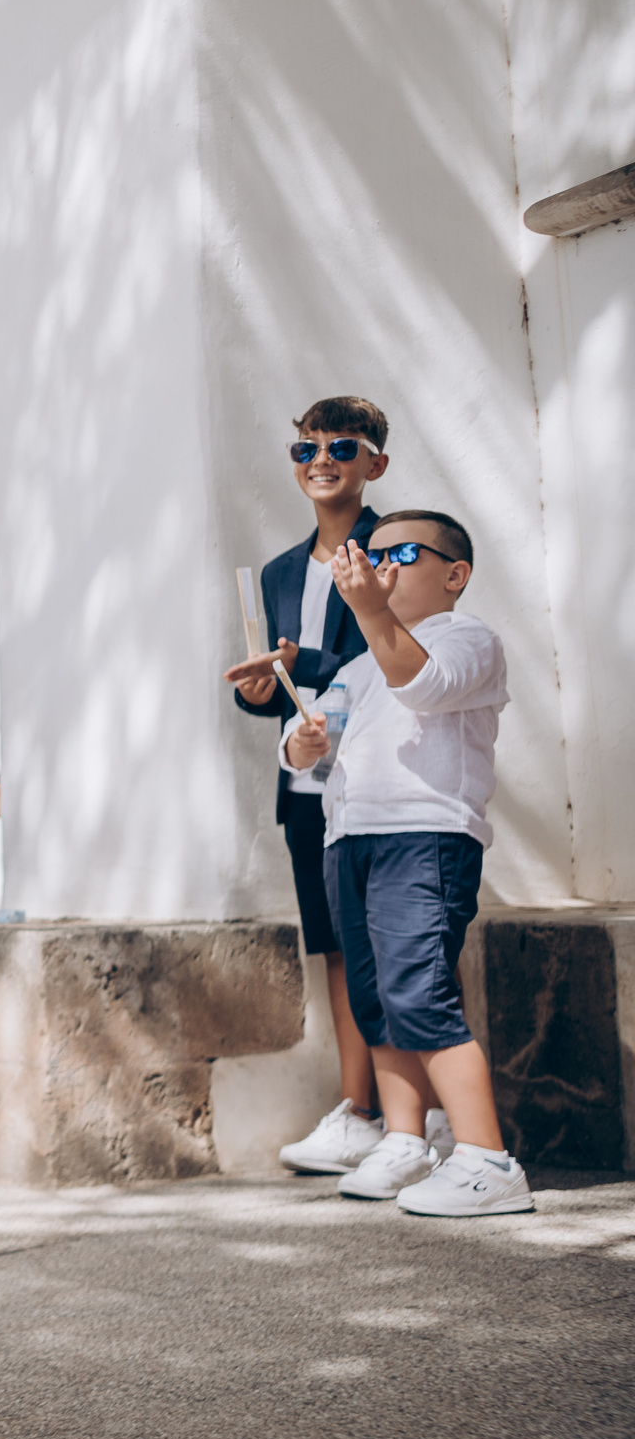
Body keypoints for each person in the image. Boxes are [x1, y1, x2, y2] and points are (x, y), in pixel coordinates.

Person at [284, 514, 528, 1216]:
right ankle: (404, 1138)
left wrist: (366, 608)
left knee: (419, 987)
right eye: (372, 552)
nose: (382, 565)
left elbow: (421, 684)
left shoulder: (468, 637)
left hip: (425, 835)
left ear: (455, 573)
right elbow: (313, 753)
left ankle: (487, 1157)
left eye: (402, 552)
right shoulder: (358, 664)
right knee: (374, 998)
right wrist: (303, 744)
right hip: (349, 837)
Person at [224, 396, 414, 1177]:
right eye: (306, 450)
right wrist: (258, 690)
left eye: (341, 445)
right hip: (309, 788)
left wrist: (295, 665)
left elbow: (390, 652)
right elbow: (270, 675)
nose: (322, 461)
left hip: (385, 783)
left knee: (398, 947)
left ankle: (414, 1114)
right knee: (337, 950)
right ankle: (361, 1110)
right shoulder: (274, 571)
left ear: (375, 462)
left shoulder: (398, 549)